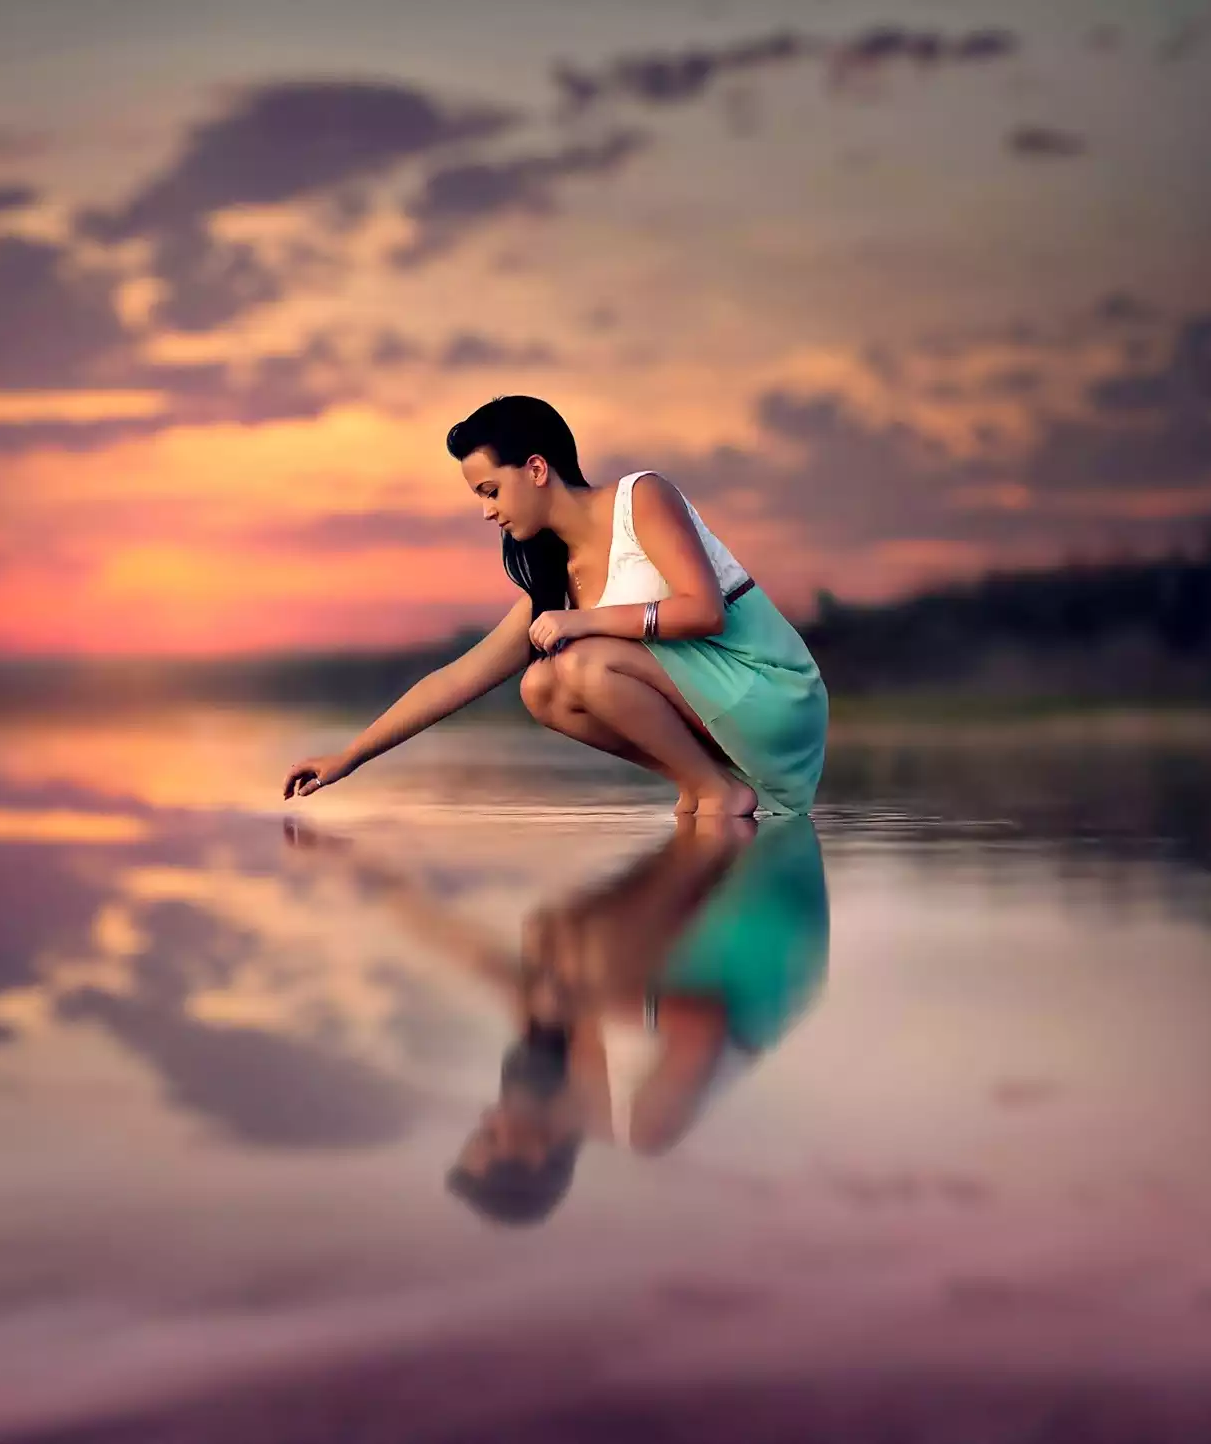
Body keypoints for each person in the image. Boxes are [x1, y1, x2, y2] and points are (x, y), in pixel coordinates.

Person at [281, 394, 829, 817]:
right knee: (540, 688)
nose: (487, 512)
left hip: (774, 695)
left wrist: (583, 621)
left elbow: (704, 611)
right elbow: (455, 679)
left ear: (537, 470)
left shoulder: (640, 498)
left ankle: (715, 793)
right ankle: (705, 785)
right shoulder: (558, 579)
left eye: (491, 491)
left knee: (581, 661)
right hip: (724, 713)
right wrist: (347, 758)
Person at [282, 812, 831, 1227]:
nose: (486, 1114)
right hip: (765, 953)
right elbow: (701, 1025)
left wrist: (363, 873)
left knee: (546, 941)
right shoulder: (638, 1124)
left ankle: (710, 826)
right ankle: (713, 837)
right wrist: (593, 999)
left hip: (708, 938)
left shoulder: (550, 1062)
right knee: (578, 965)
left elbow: (473, 957)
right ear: (532, 1154)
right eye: (488, 1135)